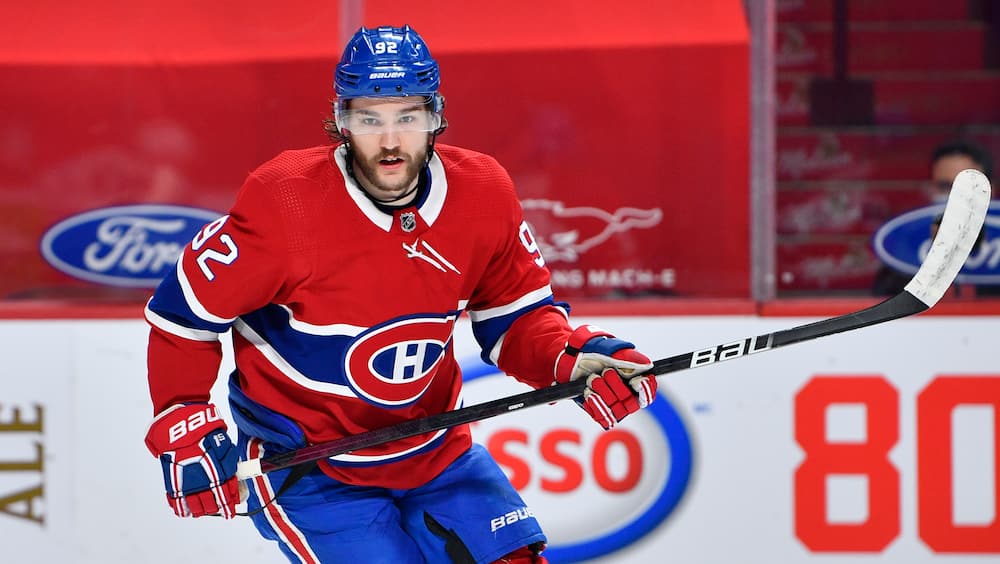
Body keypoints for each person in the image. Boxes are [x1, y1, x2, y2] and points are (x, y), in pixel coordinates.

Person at [141, 25, 658, 564]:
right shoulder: (285, 201)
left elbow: (517, 318)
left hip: (438, 451)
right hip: (310, 467)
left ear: (436, 116)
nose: (390, 141)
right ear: (341, 121)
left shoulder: (483, 192)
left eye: (407, 117)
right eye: (370, 119)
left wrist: (568, 360)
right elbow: (183, 315)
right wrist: (183, 420)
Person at [871, 139, 995, 296]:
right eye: (944, 186)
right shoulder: (907, 252)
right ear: (931, 190)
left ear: (990, 190)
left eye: (968, 187)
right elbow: (887, 299)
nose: (955, 195)